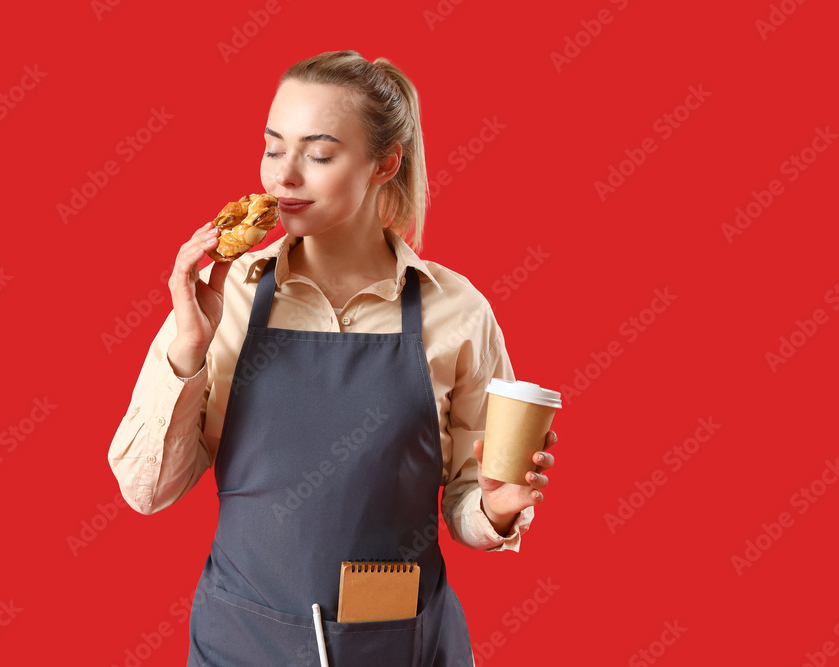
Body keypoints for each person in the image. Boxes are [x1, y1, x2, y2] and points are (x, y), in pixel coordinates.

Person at [107, 49, 559, 667]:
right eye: (272, 148)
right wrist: (188, 347)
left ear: (385, 164)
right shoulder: (225, 296)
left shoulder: (456, 311)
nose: (283, 177)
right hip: (244, 642)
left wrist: (495, 509)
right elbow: (145, 492)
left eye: (318, 155)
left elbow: (466, 502)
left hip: (397, 644)